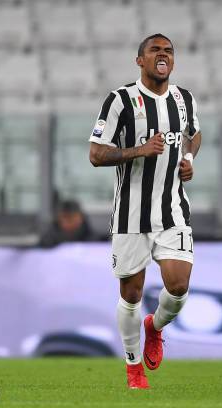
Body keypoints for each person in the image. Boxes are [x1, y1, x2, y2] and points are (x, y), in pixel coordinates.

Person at [88, 33, 202, 389]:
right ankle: (133, 367)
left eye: (168, 50)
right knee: (132, 294)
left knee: (179, 286)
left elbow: (194, 134)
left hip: (172, 210)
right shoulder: (120, 100)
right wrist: (138, 150)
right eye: (155, 50)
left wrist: (187, 157)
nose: (162, 54)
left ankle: (154, 327)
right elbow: (96, 153)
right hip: (130, 215)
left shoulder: (183, 99)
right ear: (140, 60)